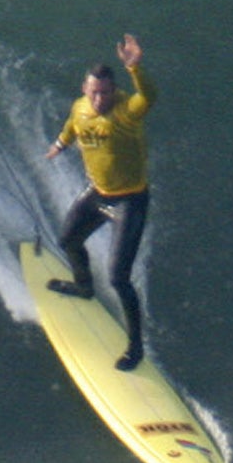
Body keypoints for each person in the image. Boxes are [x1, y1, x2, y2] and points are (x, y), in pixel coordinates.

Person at [45, 34, 156, 371]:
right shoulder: (80, 107)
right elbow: (72, 126)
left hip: (129, 202)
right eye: (93, 91)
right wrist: (59, 145)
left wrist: (134, 68)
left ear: (114, 92)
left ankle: (136, 347)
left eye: (105, 92)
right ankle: (83, 287)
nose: (98, 98)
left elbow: (149, 96)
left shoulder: (126, 112)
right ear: (84, 88)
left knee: (119, 278)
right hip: (99, 194)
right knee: (68, 240)